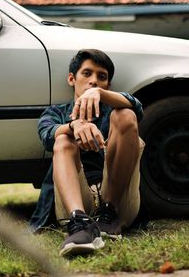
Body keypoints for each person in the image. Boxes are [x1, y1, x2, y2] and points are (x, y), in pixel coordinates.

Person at [37, 49, 145, 257]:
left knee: (126, 114)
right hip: (73, 203)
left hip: (119, 201)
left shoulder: (112, 112)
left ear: (108, 86)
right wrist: (73, 126)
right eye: (87, 73)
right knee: (62, 139)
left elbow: (137, 107)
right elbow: (46, 135)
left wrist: (100, 95)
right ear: (72, 78)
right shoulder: (55, 112)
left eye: (101, 77)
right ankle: (79, 222)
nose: (93, 81)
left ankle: (108, 212)